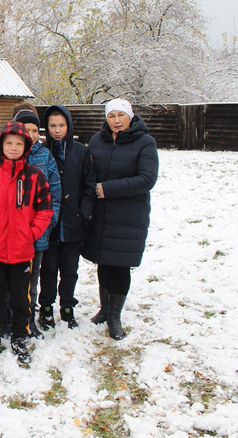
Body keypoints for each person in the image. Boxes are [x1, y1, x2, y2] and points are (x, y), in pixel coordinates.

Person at [0, 122, 53, 363]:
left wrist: (31, 232)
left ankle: (19, 336)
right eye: (9, 143)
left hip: (22, 251)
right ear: (1, 145)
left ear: (26, 147)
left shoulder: (35, 176)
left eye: (19, 144)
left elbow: (45, 209)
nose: (13, 148)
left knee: (20, 298)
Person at [82, 99, 158, 340]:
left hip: (128, 214)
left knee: (121, 264)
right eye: (111, 115)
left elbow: (147, 179)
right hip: (101, 214)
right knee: (103, 261)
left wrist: (108, 189)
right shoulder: (98, 140)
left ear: (130, 116)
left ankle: (115, 316)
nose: (116, 120)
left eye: (121, 115)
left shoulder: (144, 142)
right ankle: (104, 309)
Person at [38, 105, 96, 332]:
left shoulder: (81, 152)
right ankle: (45, 306)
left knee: (70, 269)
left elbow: (90, 184)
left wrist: (84, 211)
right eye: (52, 126)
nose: (57, 130)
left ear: (69, 125)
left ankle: (67, 306)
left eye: (61, 125)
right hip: (49, 223)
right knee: (49, 268)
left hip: (73, 222)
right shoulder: (43, 152)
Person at [11, 107, 62, 335]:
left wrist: (47, 225)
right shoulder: (5, 153)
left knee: (31, 280)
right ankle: (9, 320)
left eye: (34, 130)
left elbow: (55, 195)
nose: (30, 134)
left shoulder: (45, 156)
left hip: (36, 233)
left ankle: (28, 318)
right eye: (25, 129)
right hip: (10, 234)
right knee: (8, 282)